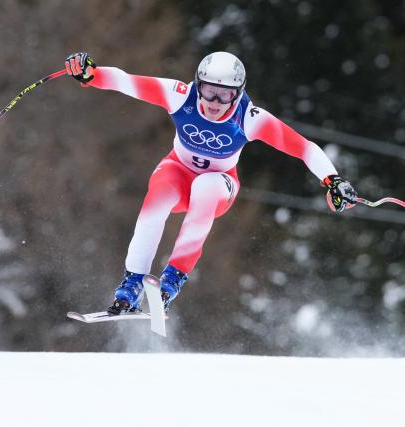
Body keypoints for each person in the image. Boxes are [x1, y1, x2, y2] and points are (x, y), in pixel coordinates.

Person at [64, 51, 357, 314]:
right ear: (197, 85)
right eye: (208, 91)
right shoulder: (180, 95)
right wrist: (91, 74)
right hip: (179, 172)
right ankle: (132, 282)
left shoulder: (250, 118)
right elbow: (126, 82)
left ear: (238, 94)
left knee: (205, 186)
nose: (215, 102)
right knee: (159, 193)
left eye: (225, 95)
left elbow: (304, 148)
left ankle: (172, 279)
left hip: (219, 184)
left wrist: (334, 180)